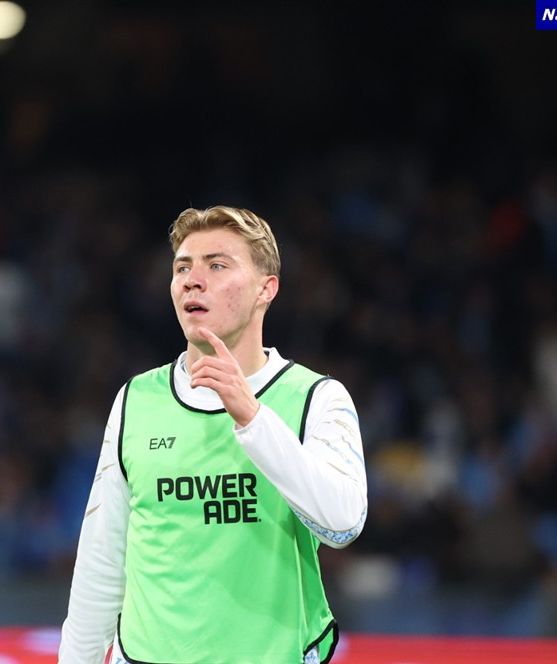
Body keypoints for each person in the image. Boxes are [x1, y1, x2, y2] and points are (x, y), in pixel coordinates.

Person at [58, 206, 368, 664]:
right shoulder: (136, 400)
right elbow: (101, 561)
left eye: (217, 265)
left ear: (266, 289)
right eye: (182, 267)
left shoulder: (316, 398)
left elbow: (342, 524)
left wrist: (253, 418)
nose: (192, 280)